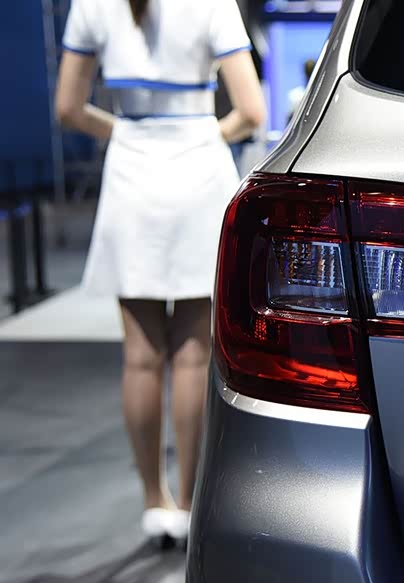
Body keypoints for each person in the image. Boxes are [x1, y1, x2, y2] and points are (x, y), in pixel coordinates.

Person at [55, 0, 264, 546]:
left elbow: (68, 108)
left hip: (132, 176)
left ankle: (154, 502)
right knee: (193, 355)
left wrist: (126, 134)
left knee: (140, 355)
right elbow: (251, 112)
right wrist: (202, 137)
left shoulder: (91, 5)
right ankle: (189, 503)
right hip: (198, 174)